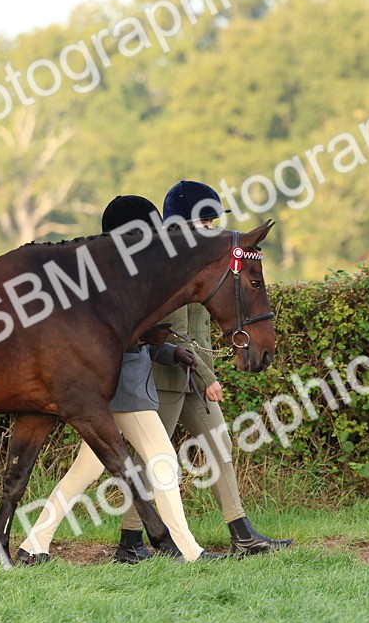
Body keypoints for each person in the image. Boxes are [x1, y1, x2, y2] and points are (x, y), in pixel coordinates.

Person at [16, 195, 221, 565]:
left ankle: (34, 544)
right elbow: (107, 334)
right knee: (163, 460)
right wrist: (146, 337)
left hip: (122, 382)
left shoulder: (111, 270)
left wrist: (163, 345)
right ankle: (188, 552)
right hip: (124, 386)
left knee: (84, 471)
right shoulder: (118, 275)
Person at [113, 180, 292, 562]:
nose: (214, 228)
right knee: (151, 461)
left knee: (219, 444)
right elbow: (162, 335)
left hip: (193, 379)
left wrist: (208, 374)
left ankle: (241, 533)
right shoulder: (165, 267)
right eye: (208, 222)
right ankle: (130, 541)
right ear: (185, 224)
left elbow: (199, 332)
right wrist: (207, 377)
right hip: (164, 380)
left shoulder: (205, 266)